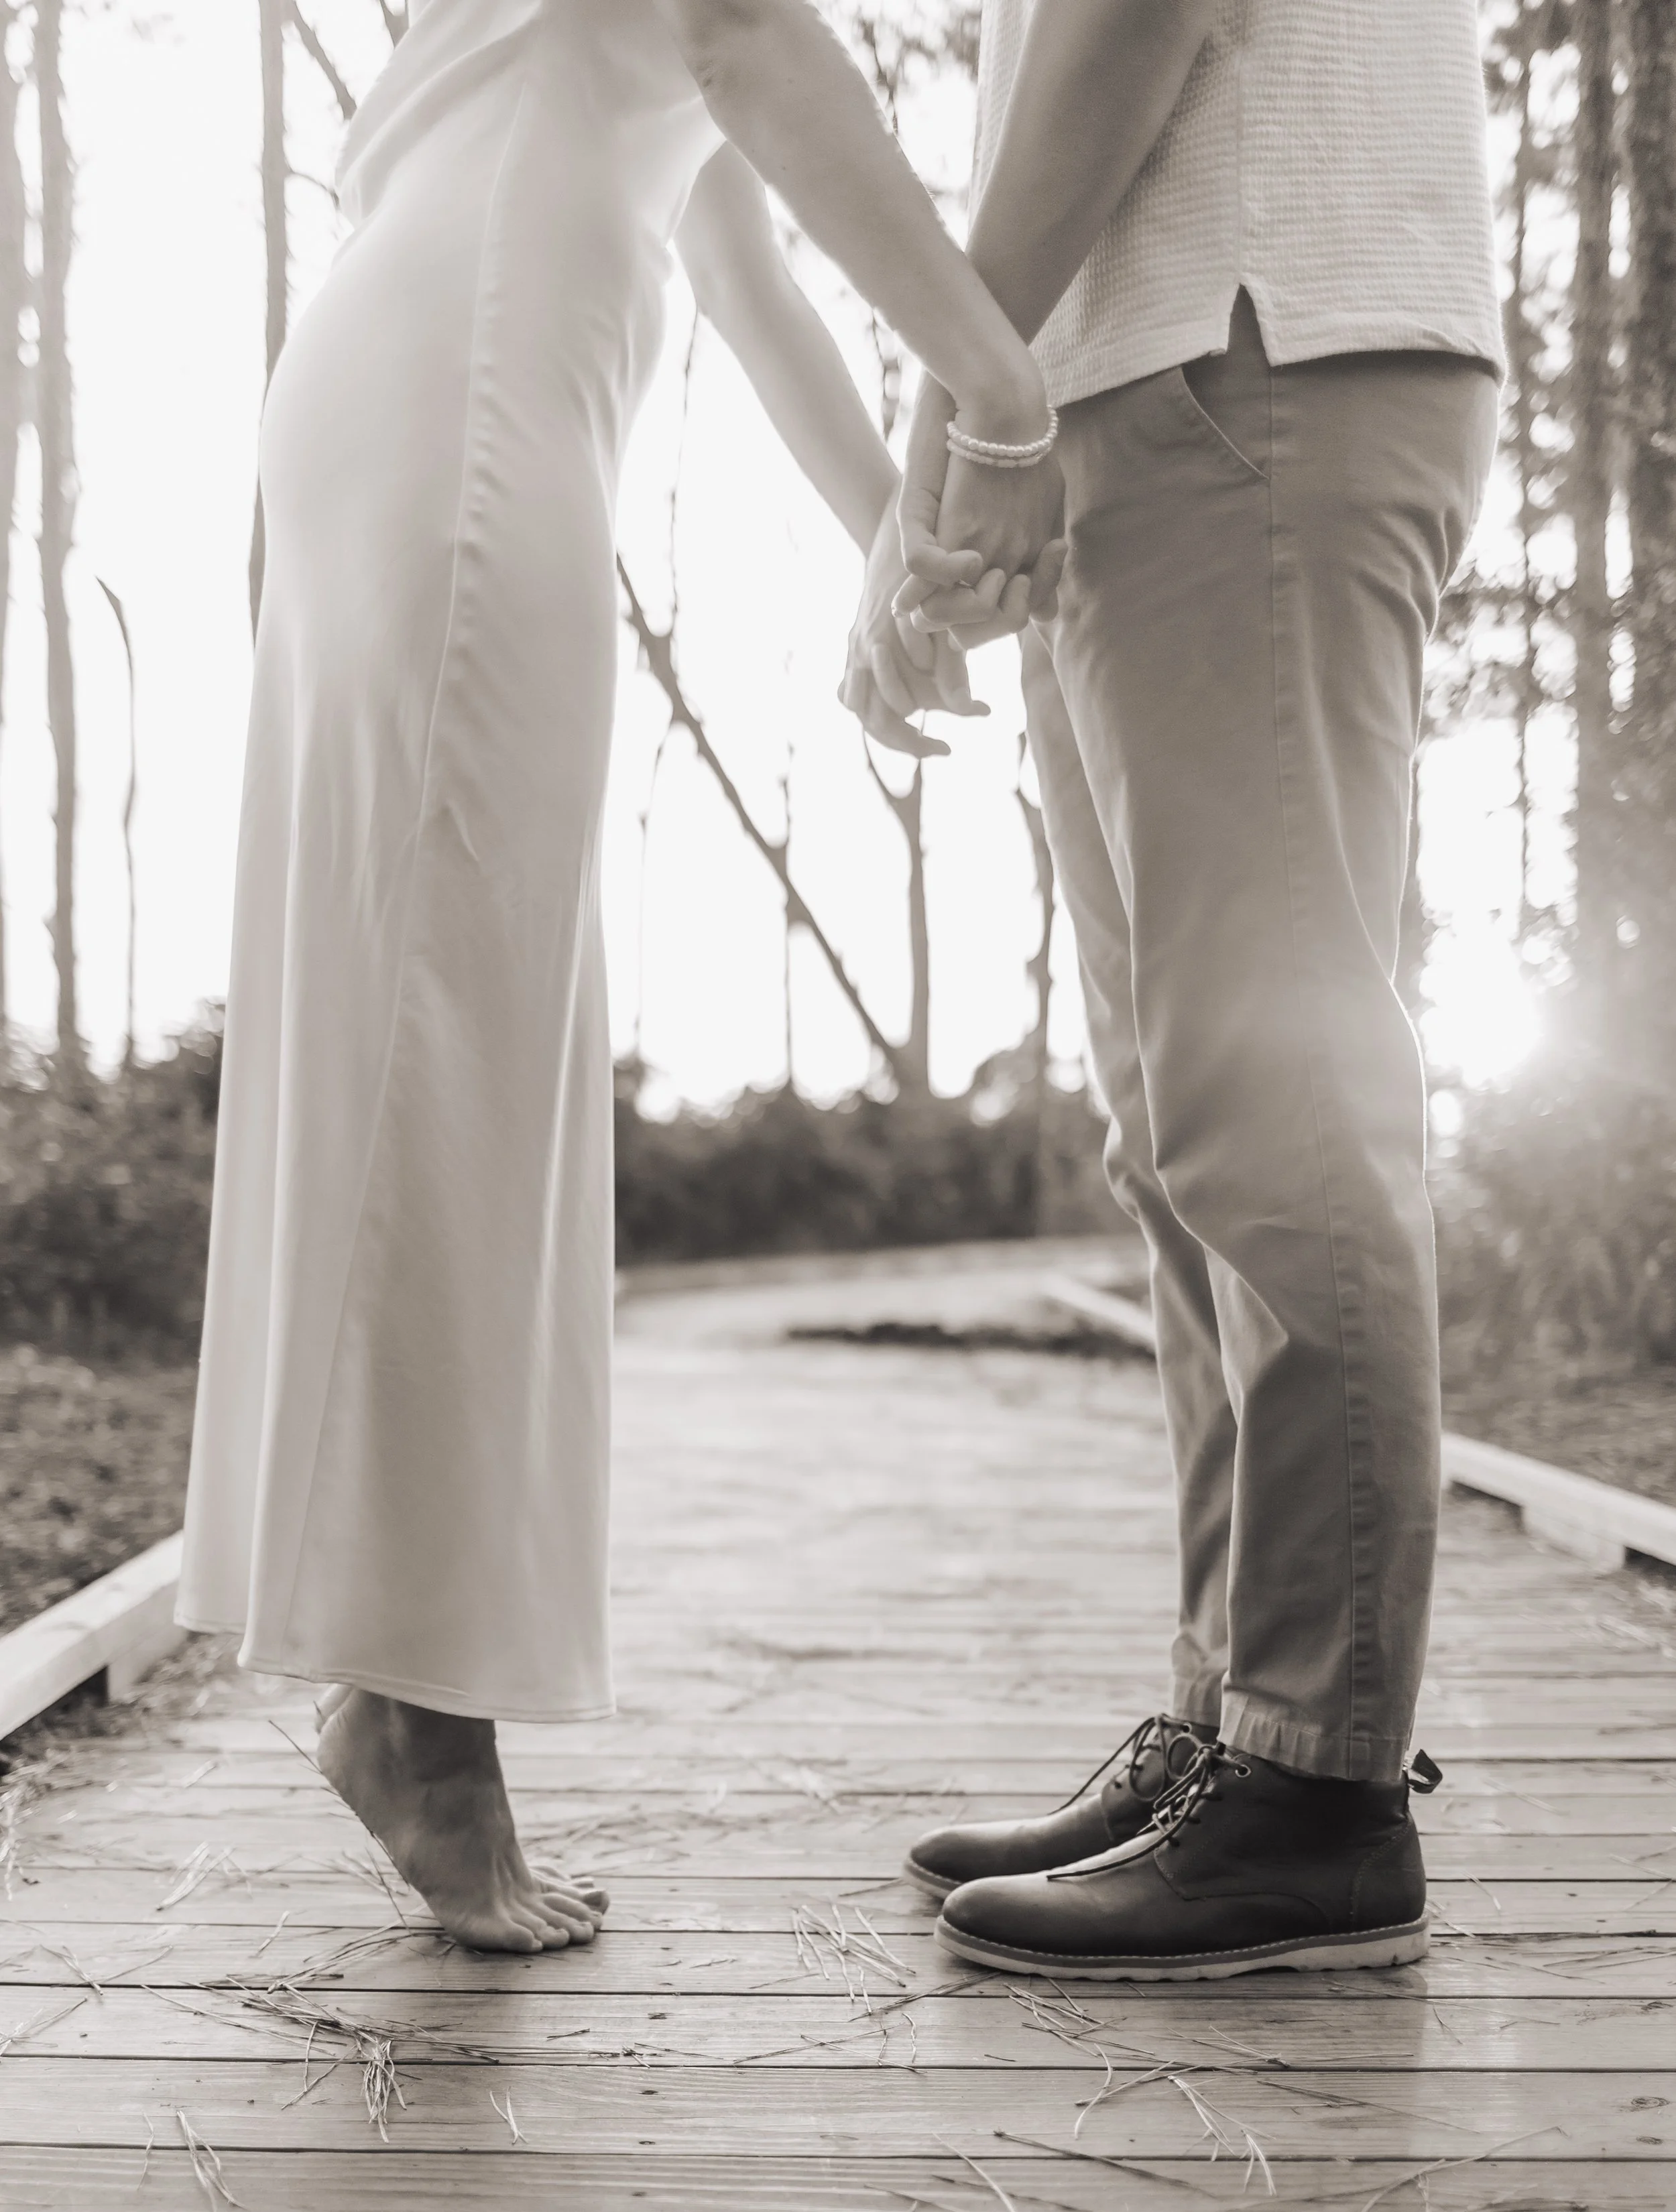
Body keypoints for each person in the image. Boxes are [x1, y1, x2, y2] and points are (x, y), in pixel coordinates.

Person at [175, 0, 1065, 1954]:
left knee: (446, 1032)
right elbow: (751, 45)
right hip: (467, 413)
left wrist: (895, 563)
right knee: (446, 1046)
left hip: (436, 391)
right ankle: (416, 1716)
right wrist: (998, 391)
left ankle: (405, 1692)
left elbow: (736, 248)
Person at [859, 0, 1504, 1979]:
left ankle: (1315, 1787)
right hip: (1175, 363)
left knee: (1262, 1093)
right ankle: (1241, 1716)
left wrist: (954, 412)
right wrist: (1012, 399)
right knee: (1181, 1119)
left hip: (1255, 349)